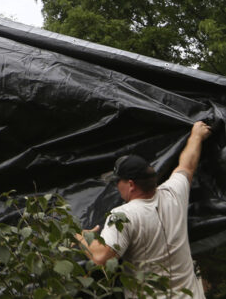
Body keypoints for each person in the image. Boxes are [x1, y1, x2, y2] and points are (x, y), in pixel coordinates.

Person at [75, 121, 212, 298]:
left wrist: (78, 235)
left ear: (131, 184)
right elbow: (187, 165)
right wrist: (196, 136)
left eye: (118, 182)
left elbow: (101, 258)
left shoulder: (123, 216)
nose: (116, 187)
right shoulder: (173, 193)